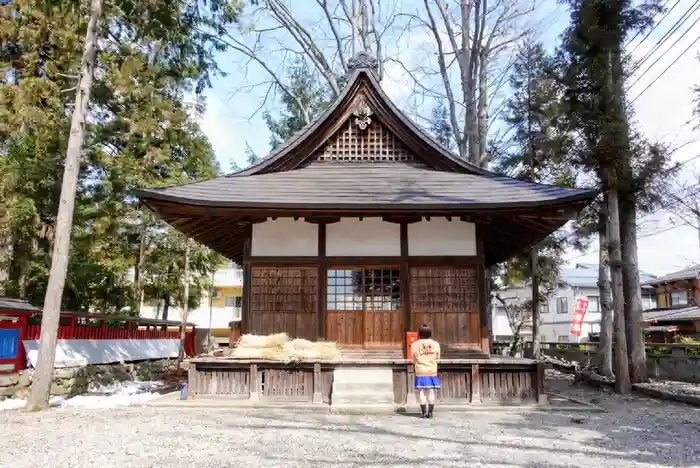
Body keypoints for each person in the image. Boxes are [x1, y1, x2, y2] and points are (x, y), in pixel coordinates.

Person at [410, 324, 440, 418]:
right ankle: (430, 413)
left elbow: (413, 358)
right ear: (430, 333)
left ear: (419, 333)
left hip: (420, 370)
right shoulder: (435, 344)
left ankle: (423, 413)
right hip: (432, 370)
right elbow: (438, 357)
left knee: (422, 391)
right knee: (431, 391)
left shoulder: (414, 344)